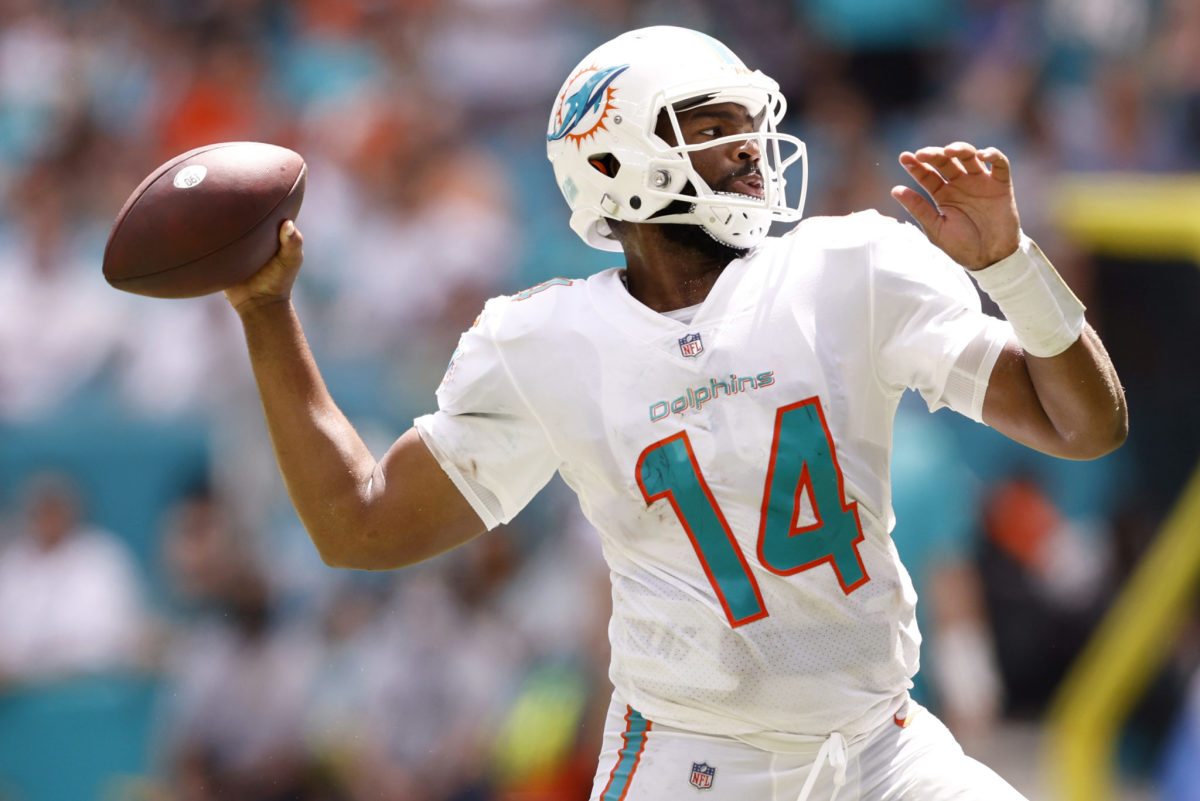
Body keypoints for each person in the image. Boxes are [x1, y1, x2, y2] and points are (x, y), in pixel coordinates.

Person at [223, 25, 1127, 801]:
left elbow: (1087, 426)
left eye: (749, 123)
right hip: (696, 764)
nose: (749, 148)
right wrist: (268, 315)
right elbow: (361, 525)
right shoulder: (548, 342)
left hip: (879, 748)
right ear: (613, 164)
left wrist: (1010, 266)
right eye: (711, 126)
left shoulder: (848, 268)